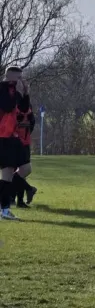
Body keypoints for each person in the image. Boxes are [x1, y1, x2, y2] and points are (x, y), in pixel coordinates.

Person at [0, 66, 26, 220]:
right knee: (7, 174)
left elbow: (23, 108)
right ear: (9, 76)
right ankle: (4, 210)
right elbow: (8, 106)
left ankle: (5, 209)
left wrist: (26, 92)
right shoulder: (3, 89)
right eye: (18, 78)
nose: (19, 81)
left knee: (11, 173)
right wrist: (11, 87)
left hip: (10, 136)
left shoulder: (13, 91)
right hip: (2, 136)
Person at [11, 90, 38, 208]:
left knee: (22, 171)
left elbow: (32, 121)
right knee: (13, 170)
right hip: (12, 141)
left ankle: (19, 199)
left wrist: (25, 135)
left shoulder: (26, 105)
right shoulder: (8, 103)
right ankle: (23, 193)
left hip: (23, 142)